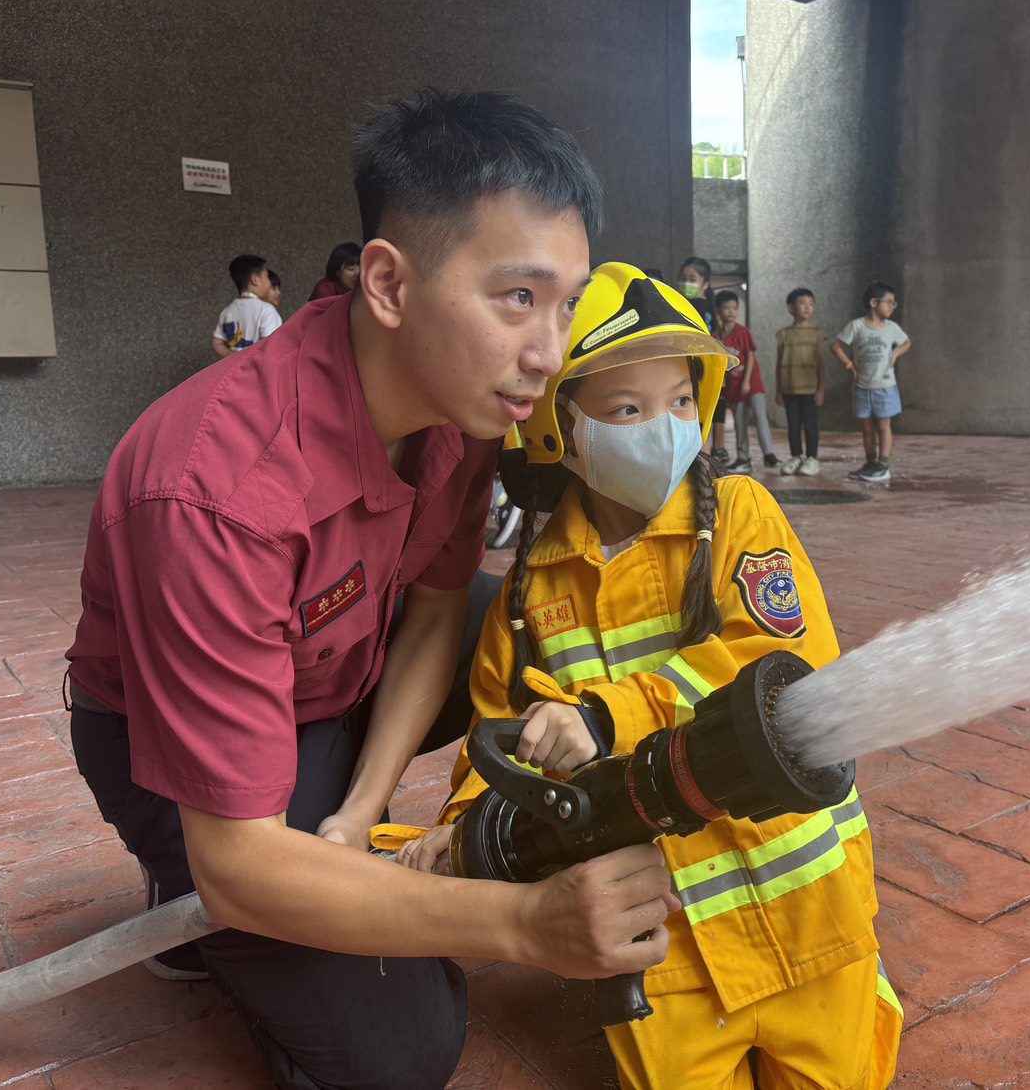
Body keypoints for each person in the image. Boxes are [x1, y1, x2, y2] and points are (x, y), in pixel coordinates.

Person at [64, 91, 676, 1089]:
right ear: (388, 283)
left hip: (344, 666)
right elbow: (245, 861)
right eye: (516, 298)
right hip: (168, 746)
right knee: (400, 1052)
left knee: (536, 630)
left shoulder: (465, 412)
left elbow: (433, 609)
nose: (549, 352)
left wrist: (360, 811)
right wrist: (525, 924)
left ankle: (299, 853)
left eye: (565, 304)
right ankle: (190, 891)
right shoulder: (214, 490)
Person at [398, 263, 902, 1090]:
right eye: (627, 409)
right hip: (658, 956)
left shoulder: (738, 517)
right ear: (558, 427)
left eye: (679, 401)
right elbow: (494, 749)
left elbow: (782, 666)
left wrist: (606, 717)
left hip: (811, 917)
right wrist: (464, 836)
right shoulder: (528, 598)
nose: (662, 428)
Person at [831, 281, 912, 484]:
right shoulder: (856, 326)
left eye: (894, 303)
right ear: (874, 303)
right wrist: (850, 365)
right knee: (867, 428)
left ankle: (883, 466)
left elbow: (907, 342)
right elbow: (836, 347)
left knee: (884, 426)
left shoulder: (892, 328)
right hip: (862, 387)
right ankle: (871, 463)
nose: (892, 306)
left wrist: (895, 354)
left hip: (884, 387)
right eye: (889, 302)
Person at [713, 289, 777, 473]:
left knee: (759, 415)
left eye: (735, 308)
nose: (731, 312)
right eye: (727, 308)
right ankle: (743, 458)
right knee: (740, 423)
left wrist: (747, 381)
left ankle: (769, 454)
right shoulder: (716, 338)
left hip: (752, 384)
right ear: (719, 311)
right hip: (733, 388)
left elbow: (750, 356)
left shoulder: (742, 332)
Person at [675, 256, 727, 462]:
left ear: (705, 284)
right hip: (701, 367)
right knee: (699, 422)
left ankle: (701, 466)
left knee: (695, 421)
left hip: (696, 368)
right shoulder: (705, 306)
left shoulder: (696, 305)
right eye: (682, 278)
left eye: (692, 279)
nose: (686, 283)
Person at [774, 287, 827, 476]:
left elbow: (821, 364)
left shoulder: (817, 334)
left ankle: (812, 458)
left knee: (811, 426)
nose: (807, 307)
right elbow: (779, 363)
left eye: (811, 304)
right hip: (789, 389)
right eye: (802, 303)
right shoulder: (783, 334)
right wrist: (778, 390)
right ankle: (796, 456)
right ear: (791, 308)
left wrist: (821, 389)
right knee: (793, 426)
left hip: (810, 389)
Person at [209, 254, 283, 359]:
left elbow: (216, 341)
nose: (269, 282)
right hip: (257, 368)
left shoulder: (227, 311)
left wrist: (232, 357)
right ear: (255, 280)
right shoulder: (266, 310)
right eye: (266, 276)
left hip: (234, 368)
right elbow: (272, 346)